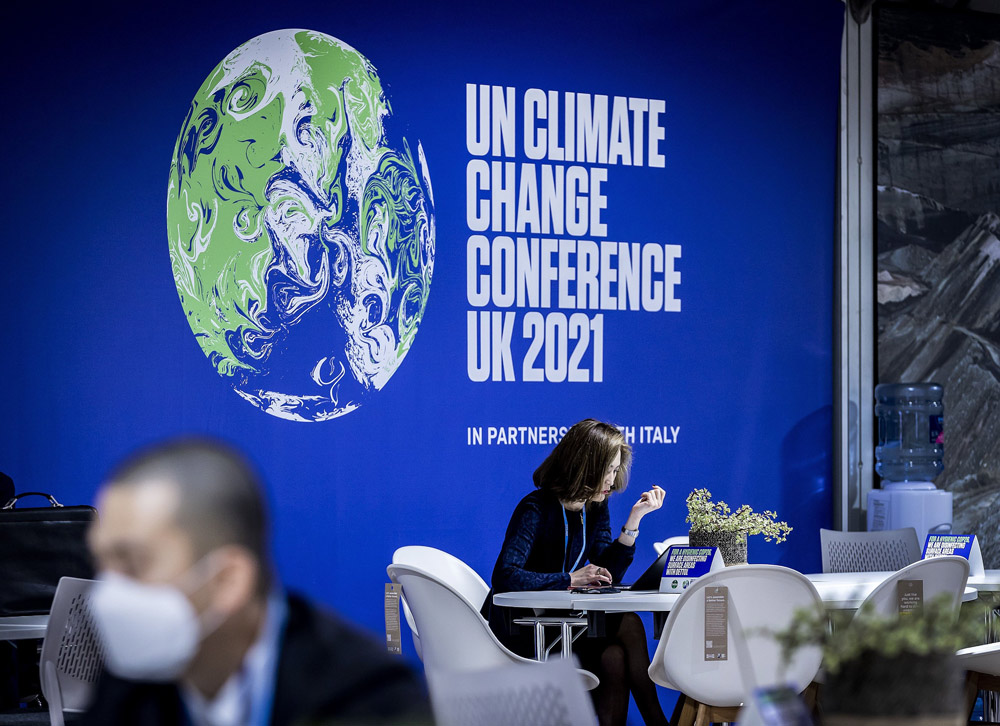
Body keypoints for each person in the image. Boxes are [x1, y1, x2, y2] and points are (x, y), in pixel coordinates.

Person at [81, 437, 430, 726]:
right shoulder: (128, 688)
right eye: (101, 564)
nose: (111, 592)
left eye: (132, 564)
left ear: (228, 581)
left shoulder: (365, 696)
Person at [482, 419, 669, 726]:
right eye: (608, 469)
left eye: (615, 469)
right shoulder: (536, 508)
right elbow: (505, 575)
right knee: (631, 624)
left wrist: (633, 523)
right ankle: (659, 723)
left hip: (564, 626)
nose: (612, 479)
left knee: (614, 657)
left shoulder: (594, 505)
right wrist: (569, 579)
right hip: (524, 630)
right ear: (586, 465)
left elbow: (606, 572)